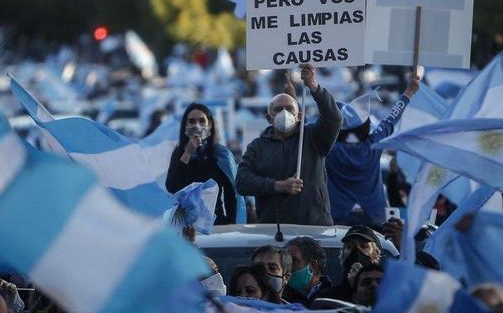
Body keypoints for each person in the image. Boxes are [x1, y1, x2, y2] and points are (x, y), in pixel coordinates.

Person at [236, 64, 342, 225]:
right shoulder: (257, 147)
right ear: (269, 118)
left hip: (314, 226)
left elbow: (334, 118)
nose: (284, 113)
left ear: (299, 116)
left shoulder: (313, 137)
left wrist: (314, 87)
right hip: (273, 229)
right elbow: (242, 182)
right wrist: (278, 186)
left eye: (289, 109)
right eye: (278, 109)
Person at [326, 76, 419, 225]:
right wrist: (409, 92)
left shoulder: (328, 149)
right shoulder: (373, 143)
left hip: (338, 217)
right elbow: (391, 119)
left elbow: (305, 129)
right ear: (365, 126)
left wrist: (292, 96)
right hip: (374, 216)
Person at [166, 103, 244, 225]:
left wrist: (231, 224)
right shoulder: (179, 152)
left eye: (202, 121)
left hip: (215, 223)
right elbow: (172, 186)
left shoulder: (221, 154)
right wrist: (187, 154)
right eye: (192, 121)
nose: (197, 126)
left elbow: (232, 194)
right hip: (186, 223)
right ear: (185, 126)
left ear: (210, 125)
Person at [312, 225, 381, 303]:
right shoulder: (326, 298)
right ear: (342, 256)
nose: (356, 251)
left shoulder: (384, 293)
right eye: (350, 247)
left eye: (363, 246)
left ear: (375, 255)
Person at [285, 236, 332, 303]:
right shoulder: (279, 296)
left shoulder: (333, 298)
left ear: (313, 265)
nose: (287, 267)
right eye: (286, 261)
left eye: (294, 261)